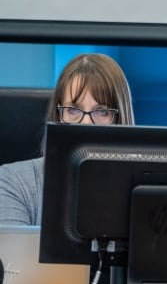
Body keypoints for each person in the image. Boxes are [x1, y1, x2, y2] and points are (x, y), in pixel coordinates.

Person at [0, 53, 135, 225]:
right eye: (73, 110)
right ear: (58, 115)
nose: (86, 123)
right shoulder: (15, 181)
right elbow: (12, 251)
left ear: (120, 119)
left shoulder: (139, 189)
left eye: (102, 111)